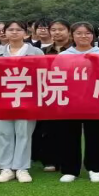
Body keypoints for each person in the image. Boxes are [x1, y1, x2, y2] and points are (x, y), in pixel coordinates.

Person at [54, 22, 99, 183]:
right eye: (79, 33)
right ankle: (70, 170)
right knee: (69, 135)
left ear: (93, 35)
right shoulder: (64, 55)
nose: (83, 36)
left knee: (95, 136)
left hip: (95, 100)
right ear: (72, 35)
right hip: (70, 101)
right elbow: (56, 76)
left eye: (87, 33)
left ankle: (95, 168)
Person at [0, 21, 44, 183]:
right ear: (4, 33)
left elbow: (43, 75)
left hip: (27, 98)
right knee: (3, 133)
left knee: (24, 133)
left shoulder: (36, 52)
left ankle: (22, 167)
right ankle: (5, 167)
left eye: (18, 30)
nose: (14, 32)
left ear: (26, 33)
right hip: (2, 99)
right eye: (10, 30)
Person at [35, 20, 74, 173]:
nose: (57, 32)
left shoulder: (75, 50)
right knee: (48, 128)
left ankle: (67, 160)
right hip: (49, 93)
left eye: (61, 29)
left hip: (71, 93)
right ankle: (50, 160)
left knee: (68, 129)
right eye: (54, 29)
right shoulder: (44, 51)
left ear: (69, 31)